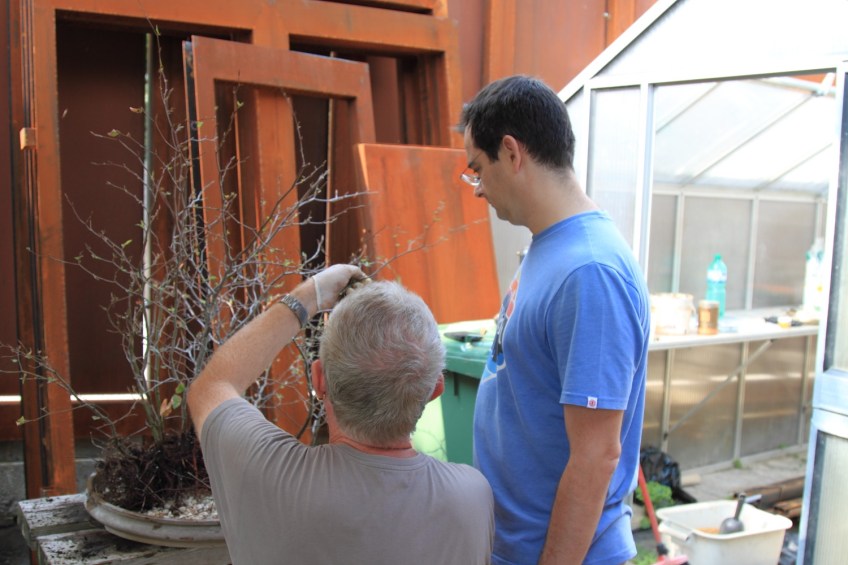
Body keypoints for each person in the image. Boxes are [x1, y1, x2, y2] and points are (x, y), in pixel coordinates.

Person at [459, 75, 650, 565]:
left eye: (477, 169)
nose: (477, 189)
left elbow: (596, 455)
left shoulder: (590, 273)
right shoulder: (550, 246)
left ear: (511, 152)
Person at [188, 264, 494, 564]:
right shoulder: (471, 498)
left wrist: (310, 296)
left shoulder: (268, 474)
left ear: (319, 379)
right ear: (435, 390)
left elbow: (211, 387)